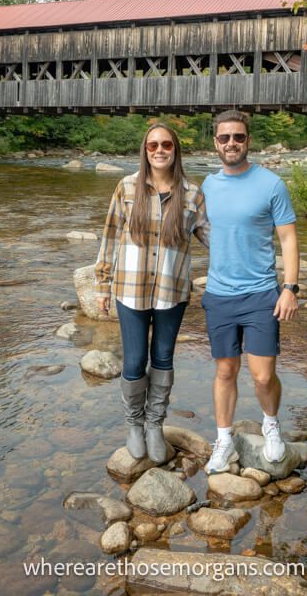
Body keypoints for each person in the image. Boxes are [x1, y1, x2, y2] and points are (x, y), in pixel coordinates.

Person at [95, 123, 209, 464]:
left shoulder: (192, 193)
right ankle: (134, 424)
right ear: (145, 151)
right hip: (129, 289)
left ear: (176, 150)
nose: (159, 150)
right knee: (133, 361)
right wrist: (102, 284)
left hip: (171, 291)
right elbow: (111, 236)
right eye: (152, 145)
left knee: (162, 358)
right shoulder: (127, 187)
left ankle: (155, 425)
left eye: (166, 145)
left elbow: (211, 235)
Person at [200, 109, 300, 474]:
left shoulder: (271, 184)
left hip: (260, 294)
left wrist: (289, 288)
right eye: (224, 138)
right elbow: (196, 228)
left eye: (238, 137)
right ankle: (224, 439)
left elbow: (288, 239)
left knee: (262, 376)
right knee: (225, 372)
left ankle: (271, 425)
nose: (231, 143)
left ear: (248, 141)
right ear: (215, 143)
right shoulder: (207, 186)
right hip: (219, 294)